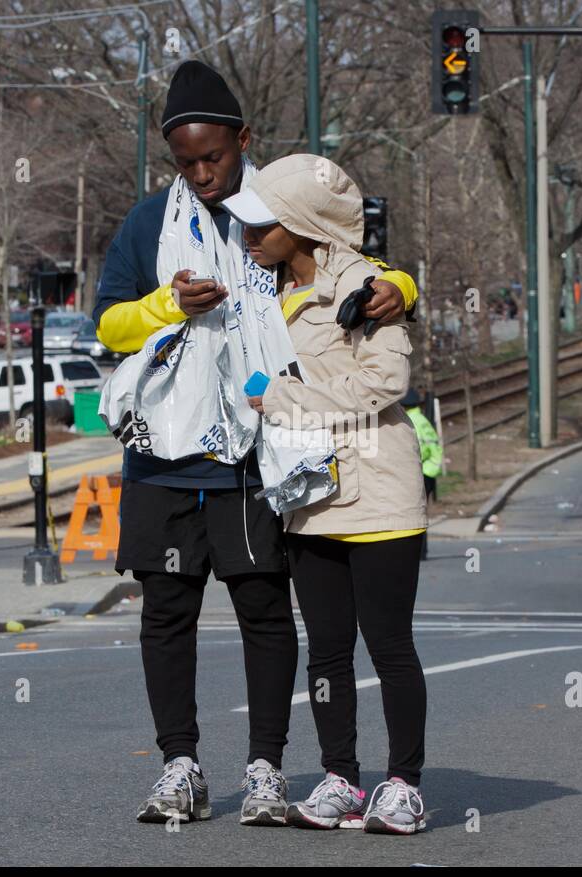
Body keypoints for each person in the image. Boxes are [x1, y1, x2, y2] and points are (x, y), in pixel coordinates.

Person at [92, 61, 418, 827]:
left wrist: (405, 284)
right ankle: (180, 765)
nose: (203, 174)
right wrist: (163, 305)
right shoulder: (147, 225)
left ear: (245, 139)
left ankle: (266, 769)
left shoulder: (279, 213)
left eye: (216, 157)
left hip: (254, 461)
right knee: (165, 616)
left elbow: (349, 264)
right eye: (187, 163)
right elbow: (105, 326)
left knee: (265, 614)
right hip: (164, 461)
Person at [225, 154, 430, 835]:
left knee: (390, 647)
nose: (249, 237)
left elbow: (383, 385)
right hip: (309, 497)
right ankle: (340, 778)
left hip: (378, 494)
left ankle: (403, 785)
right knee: (329, 652)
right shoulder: (261, 293)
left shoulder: (368, 290)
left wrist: (278, 399)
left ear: (304, 224)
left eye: (264, 225)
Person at [400, 388, 442, 561]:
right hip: (430, 471)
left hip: (421, 471)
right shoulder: (422, 419)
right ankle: (422, 551)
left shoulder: (411, 421)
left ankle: (419, 552)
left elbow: (418, 449)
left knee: (414, 515)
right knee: (421, 513)